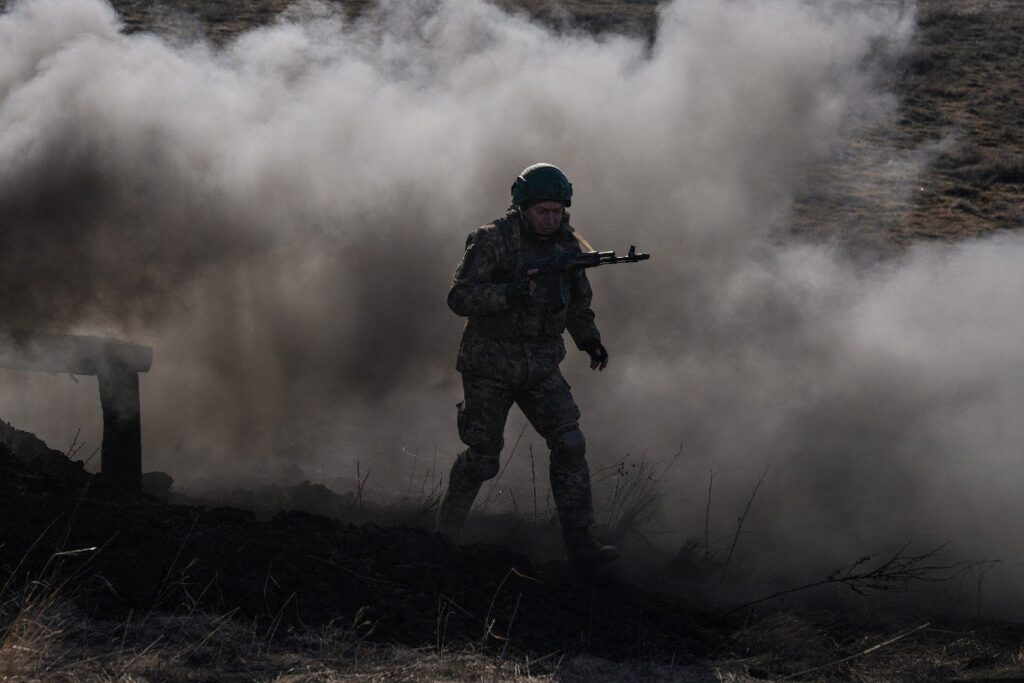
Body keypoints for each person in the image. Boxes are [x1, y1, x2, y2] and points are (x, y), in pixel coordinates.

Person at [437, 163, 619, 569]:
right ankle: (444, 535)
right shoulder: (493, 241)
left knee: (570, 443)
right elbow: (459, 297)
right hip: (489, 365)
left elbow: (575, 303)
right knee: (483, 459)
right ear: (522, 207)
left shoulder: (568, 246)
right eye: (543, 212)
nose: (551, 219)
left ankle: (581, 546)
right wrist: (508, 294)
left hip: (540, 365)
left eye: (557, 211)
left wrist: (588, 340)